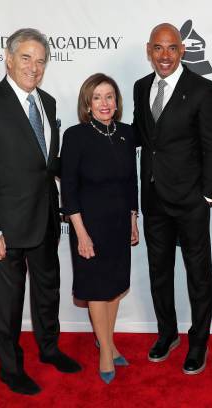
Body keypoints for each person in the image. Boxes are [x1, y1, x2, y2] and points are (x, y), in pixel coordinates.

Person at [0, 28, 81, 395]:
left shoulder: (48, 102)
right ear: (8, 59)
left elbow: (48, 164)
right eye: (26, 58)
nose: (34, 67)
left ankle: (49, 349)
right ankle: (10, 369)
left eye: (41, 60)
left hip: (44, 219)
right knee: (8, 303)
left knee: (48, 291)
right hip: (4, 228)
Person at [132, 23, 212, 375]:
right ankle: (167, 333)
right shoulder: (142, 87)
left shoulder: (203, 90)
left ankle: (198, 341)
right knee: (158, 272)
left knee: (198, 275)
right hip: (154, 198)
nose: (165, 55)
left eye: (172, 48)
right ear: (149, 50)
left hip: (190, 201)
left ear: (182, 51)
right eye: (159, 48)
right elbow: (143, 137)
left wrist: (206, 195)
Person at [60, 73, 139, 384]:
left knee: (115, 286)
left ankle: (108, 340)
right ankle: (106, 350)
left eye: (110, 96)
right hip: (89, 225)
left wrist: (133, 218)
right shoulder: (75, 136)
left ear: (117, 102)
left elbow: (132, 180)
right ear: (87, 104)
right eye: (97, 97)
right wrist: (80, 232)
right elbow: (69, 189)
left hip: (119, 222)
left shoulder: (127, 133)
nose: (104, 103)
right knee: (96, 287)